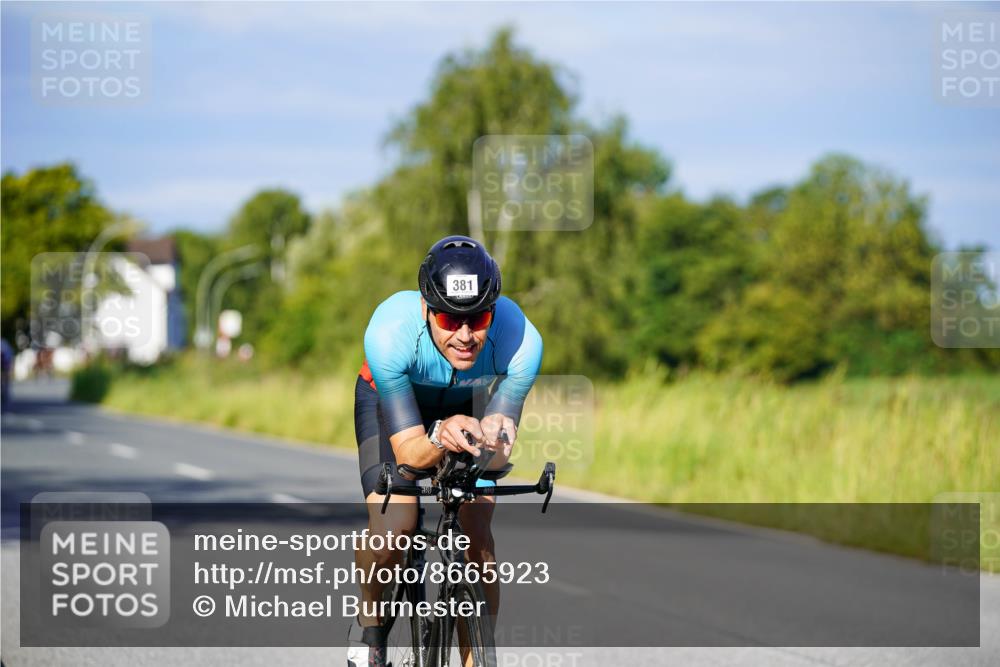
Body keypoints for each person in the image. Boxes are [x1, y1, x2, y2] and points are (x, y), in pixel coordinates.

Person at [349, 236, 543, 667]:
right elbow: (409, 457)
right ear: (425, 308)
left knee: (478, 540)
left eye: (479, 318)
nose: (465, 335)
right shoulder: (388, 334)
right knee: (394, 528)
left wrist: (493, 442)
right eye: (448, 319)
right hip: (396, 402)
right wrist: (438, 437)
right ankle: (371, 626)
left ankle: (477, 660)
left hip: (470, 404)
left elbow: (496, 460)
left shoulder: (522, 343)